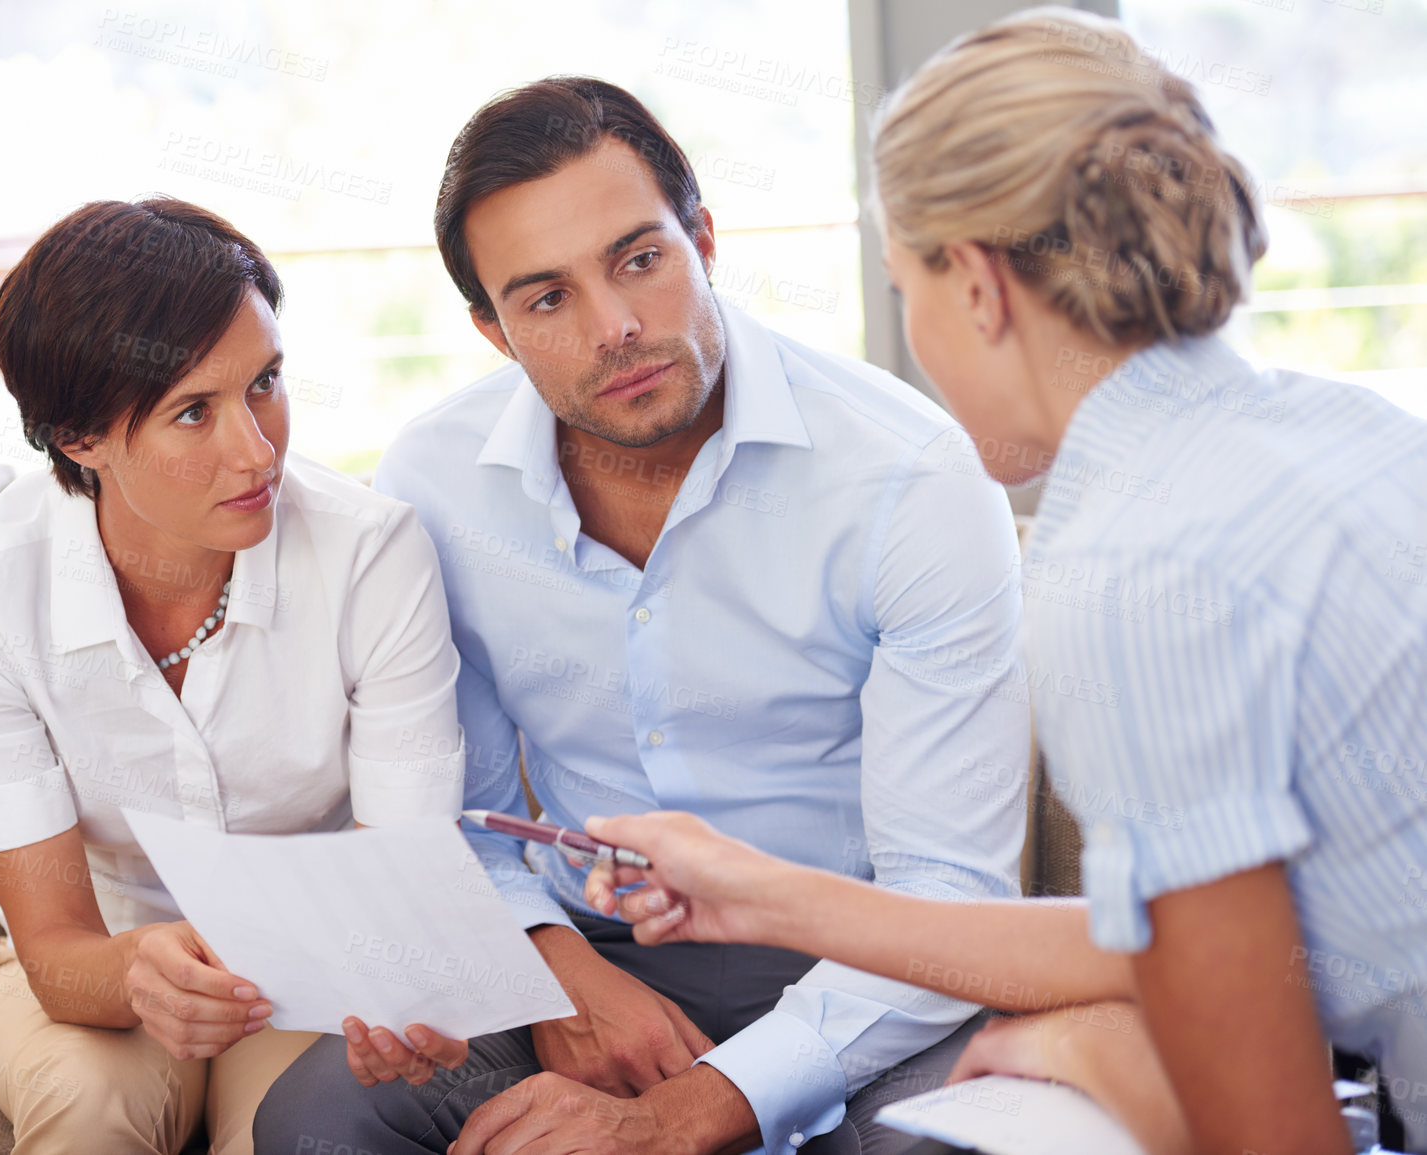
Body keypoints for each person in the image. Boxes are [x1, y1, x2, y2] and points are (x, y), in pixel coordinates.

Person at [576, 9, 1427, 1155]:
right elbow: (1187, 932)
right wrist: (762, 893)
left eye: (905, 286)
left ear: (974, 284)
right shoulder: (1351, 431)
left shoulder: (1131, 576)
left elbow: (1269, 1137)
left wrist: (1093, 1050)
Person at [254, 77, 1033, 1155]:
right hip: (583, 950)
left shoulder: (909, 480)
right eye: (546, 299)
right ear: (493, 330)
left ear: (703, 239)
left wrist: (689, 1110)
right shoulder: (436, 479)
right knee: (315, 1124)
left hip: (863, 965)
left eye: (639, 260)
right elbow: (464, 819)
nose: (617, 327)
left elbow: (950, 899)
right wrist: (555, 979)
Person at [0, 197, 469, 1154]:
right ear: (78, 439)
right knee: (89, 1105)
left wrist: (396, 1000)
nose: (256, 450)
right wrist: (137, 971)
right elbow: (56, 948)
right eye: (192, 412)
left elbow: (400, 879)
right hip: (98, 962)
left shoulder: (373, 553)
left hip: (313, 963)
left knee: (295, 1127)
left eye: (265, 383)